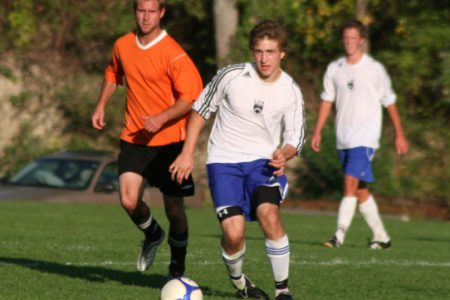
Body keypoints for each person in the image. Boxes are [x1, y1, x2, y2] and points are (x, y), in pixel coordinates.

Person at [170, 20, 305, 300]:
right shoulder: (230, 76)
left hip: (262, 164)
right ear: (252, 51)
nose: (264, 58)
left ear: (282, 53)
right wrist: (186, 153)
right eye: (259, 51)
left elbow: (296, 138)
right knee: (233, 235)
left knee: (270, 215)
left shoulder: (291, 90)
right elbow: (199, 112)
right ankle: (241, 284)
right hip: (223, 164)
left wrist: (285, 153)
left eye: (270, 51)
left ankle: (283, 292)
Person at [91, 0, 203, 278]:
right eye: (141, 10)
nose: (146, 16)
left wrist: (161, 118)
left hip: (170, 142)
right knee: (129, 200)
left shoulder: (174, 54)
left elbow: (190, 98)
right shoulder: (123, 45)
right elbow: (112, 72)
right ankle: (153, 233)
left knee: (174, 207)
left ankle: (177, 265)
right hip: (135, 137)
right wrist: (101, 104)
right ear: (134, 12)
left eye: (152, 11)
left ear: (161, 13)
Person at [311, 19, 409, 249]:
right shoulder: (335, 68)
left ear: (362, 40)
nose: (349, 42)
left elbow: (390, 102)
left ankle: (339, 235)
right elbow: (327, 100)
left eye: (353, 38)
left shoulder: (374, 69)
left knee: (349, 182)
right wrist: (317, 131)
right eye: (346, 38)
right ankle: (381, 236)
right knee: (360, 189)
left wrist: (400, 134)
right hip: (343, 137)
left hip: (365, 137)